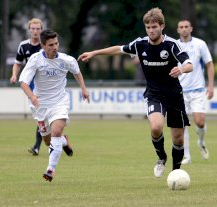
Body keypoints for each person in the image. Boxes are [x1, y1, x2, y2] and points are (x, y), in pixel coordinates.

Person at [78, 7, 193, 178]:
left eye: (154, 27)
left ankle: (175, 172)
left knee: (178, 140)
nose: (151, 30)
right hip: (154, 95)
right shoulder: (140, 44)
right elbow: (118, 49)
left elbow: (189, 64)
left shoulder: (171, 45)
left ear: (162, 26)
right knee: (155, 127)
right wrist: (94, 53)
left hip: (175, 96)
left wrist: (181, 69)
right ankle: (161, 158)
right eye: (148, 27)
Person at [19, 29, 90, 182]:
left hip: (59, 102)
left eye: (56, 43)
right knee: (47, 141)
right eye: (50, 45)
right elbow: (23, 82)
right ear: (43, 46)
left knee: (56, 131)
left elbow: (76, 71)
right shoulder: (35, 59)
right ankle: (63, 141)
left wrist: (84, 89)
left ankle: (50, 169)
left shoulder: (66, 60)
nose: (55, 47)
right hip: (40, 106)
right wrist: (32, 97)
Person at [176, 20, 215, 164]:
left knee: (199, 121)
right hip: (179, 91)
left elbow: (209, 64)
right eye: (181, 27)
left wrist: (210, 86)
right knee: (182, 124)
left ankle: (201, 142)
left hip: (197, 90)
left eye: (187, 27)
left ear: (191, 28)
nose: (184, 29)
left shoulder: (200, 44)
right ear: (178, 30)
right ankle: (187, 156)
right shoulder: (174, 45)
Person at [9, 18, 44, 156]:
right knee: (40, 115)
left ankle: (37, 146)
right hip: (30, 85)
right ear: (29, 30)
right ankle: (58, 137)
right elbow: (17, 63)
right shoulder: (23, 46)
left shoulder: (45, 44)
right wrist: (14, 75)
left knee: (42, 114)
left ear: (41, 30)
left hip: (44, 84)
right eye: (33, 28)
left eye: (38, 28)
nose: (35, 31)